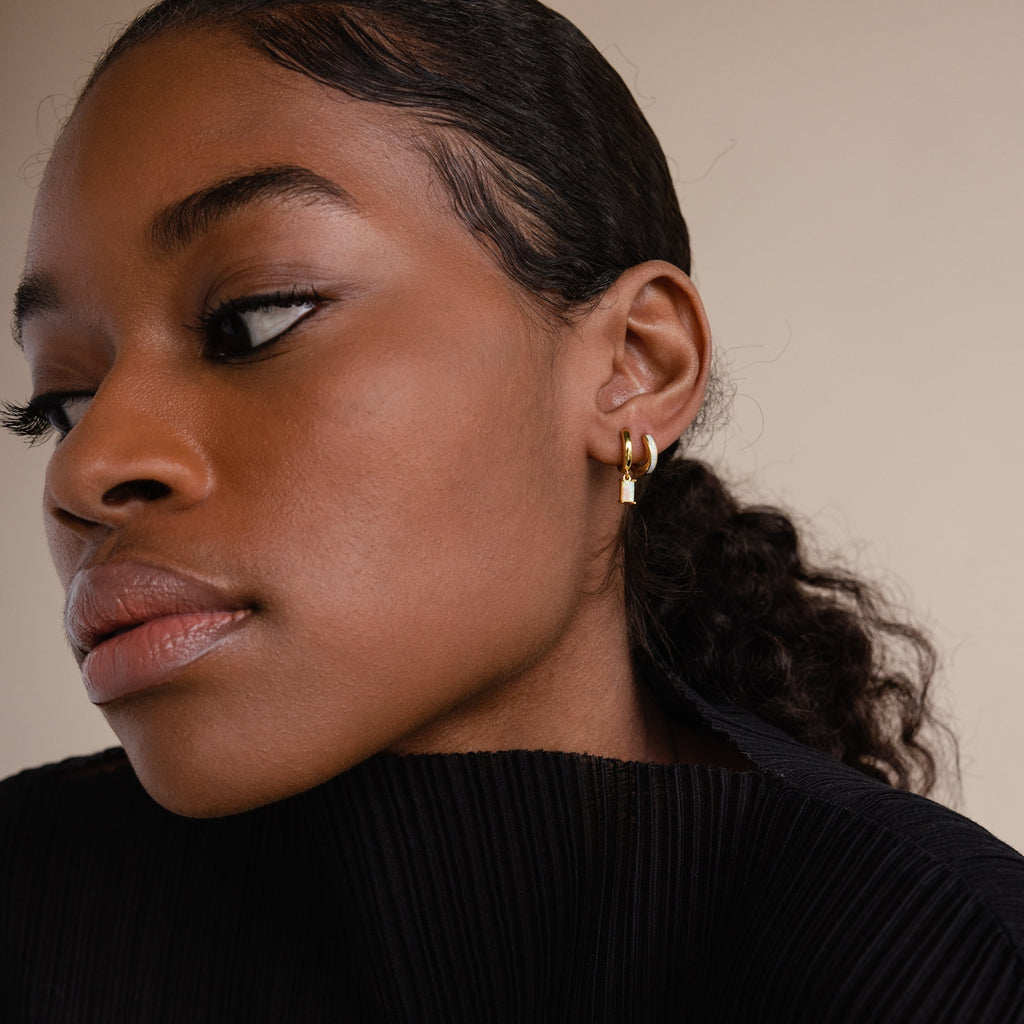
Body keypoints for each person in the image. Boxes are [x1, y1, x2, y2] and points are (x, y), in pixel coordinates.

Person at [1, 0, 1022, 1020]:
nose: (88, 467)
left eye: (256, 317)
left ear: (632, 367)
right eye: (63, 399)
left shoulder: (950, 965)